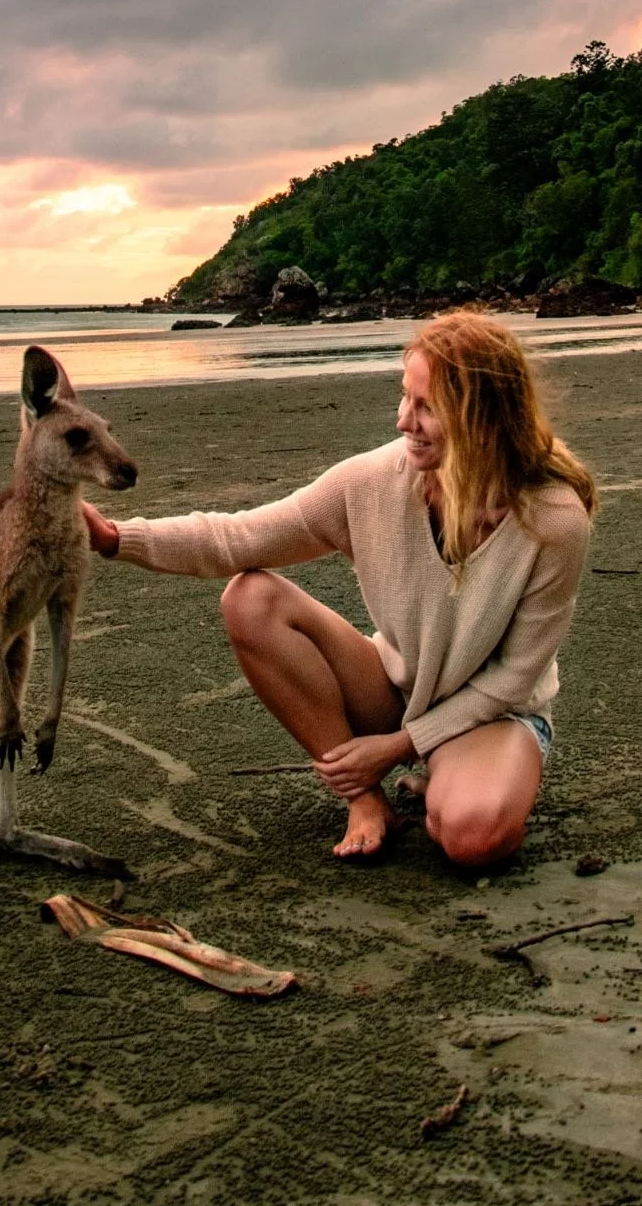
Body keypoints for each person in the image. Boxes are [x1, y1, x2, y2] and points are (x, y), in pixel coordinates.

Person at [83, 311, 596, 868]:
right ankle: (364, 799)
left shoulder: (553, 521)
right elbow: (239, 537)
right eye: (404, 397)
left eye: (426, 407)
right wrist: (116, 538)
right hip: (399, 689)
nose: (403, 420)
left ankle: (452, 770)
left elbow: (515, 678)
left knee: (474, 839)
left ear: (483, 417)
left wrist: (397, 748)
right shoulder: (370, 483)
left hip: (495, 714)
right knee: (251, 599)